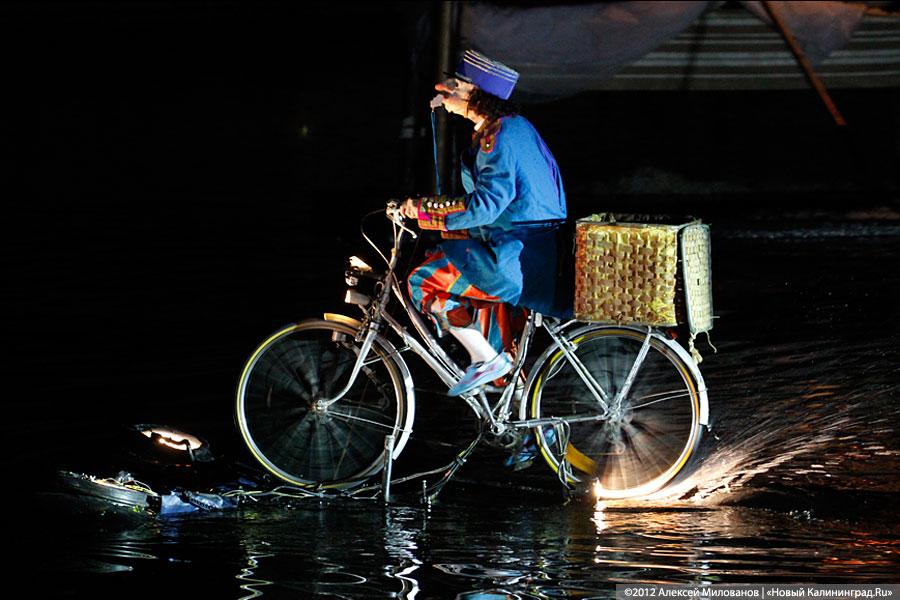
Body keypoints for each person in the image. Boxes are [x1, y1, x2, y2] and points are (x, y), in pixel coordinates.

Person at [401, 49, 569, 397]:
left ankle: (486, 362)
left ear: (476, 93)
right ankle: (525, 437)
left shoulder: (498, 138)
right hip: (536, 253)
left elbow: (487, 206)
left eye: (456, 84)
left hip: (514, 259)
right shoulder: (516, 128)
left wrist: (427, 214)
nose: (445, 89)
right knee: (502, 347)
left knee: (423, 280)